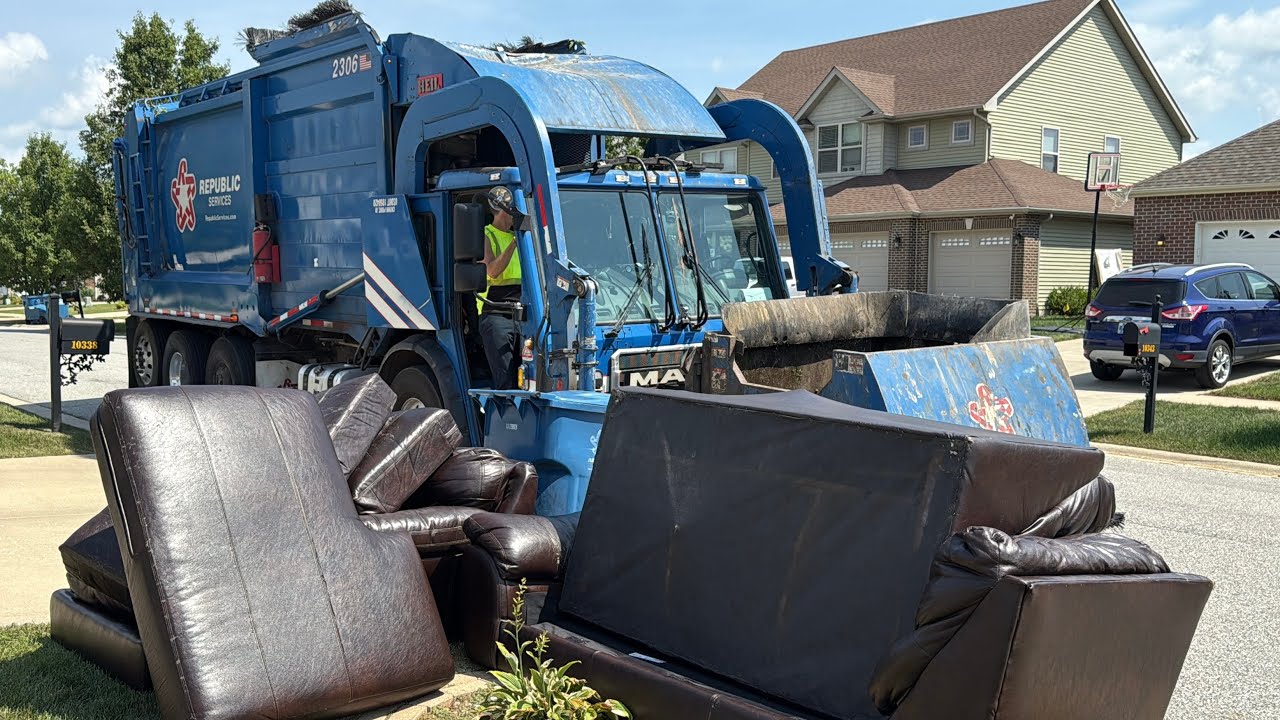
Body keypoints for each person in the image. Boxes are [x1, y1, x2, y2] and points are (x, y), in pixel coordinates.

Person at [478, 202, 522, 389]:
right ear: (504, 211)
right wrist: (515, 242)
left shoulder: (519, 237)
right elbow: (492, 271)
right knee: (506, 379)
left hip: (523, 312)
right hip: (496, 313)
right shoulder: (486, 235)